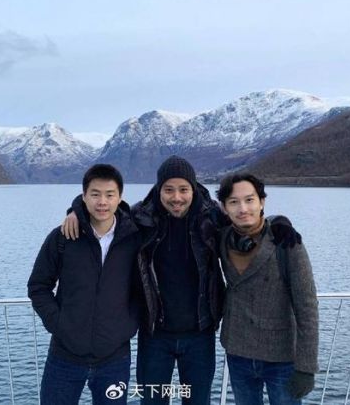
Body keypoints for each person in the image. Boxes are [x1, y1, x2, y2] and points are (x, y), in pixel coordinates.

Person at [61, 156, 301, 405]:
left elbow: (247, 220)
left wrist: (279, 221)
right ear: (159, 189)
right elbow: (105, 211)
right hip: (155, 336)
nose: (176, 197)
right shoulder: (140, 217)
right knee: (153, 401)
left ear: (193, 188)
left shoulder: (211, 216)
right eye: (169, 190)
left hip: (200, 335)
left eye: (183, 189)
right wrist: (76, 210)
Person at [28, 164, 141, 405]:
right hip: (64, 357)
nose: (102, 202)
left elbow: (142, 290)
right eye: (95, 194)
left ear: (120, 197)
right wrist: (59, 324)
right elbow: (38, 286)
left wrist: (126, 327)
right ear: (84, 196)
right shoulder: (63, 236)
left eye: (109, 195)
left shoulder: (134, 239)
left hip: (114, 359)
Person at [216, 170, 319, 405]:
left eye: (249, 200)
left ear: (262, 202)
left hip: (281, 357)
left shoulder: (287, 242)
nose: (243, 208)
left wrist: (307, 367)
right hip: (238, 351)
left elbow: (307, 306)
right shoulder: (222, 238)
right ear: (224, 208)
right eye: (234, 202)